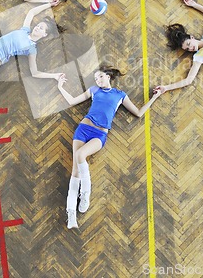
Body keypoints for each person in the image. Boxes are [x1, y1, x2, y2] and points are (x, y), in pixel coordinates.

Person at [57, 67, 162, 229]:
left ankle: (85, 193)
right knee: (75, 171)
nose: (98, 80)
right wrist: (60, 87)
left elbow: (139, 113)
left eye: (100, 77)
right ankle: (71, 215)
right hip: (83, 129)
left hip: (99, 135)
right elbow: (72, 101)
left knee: (80, 156)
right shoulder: (94, 90)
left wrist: (155, 97)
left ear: (108, 76)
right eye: (96, 79)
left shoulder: (120, 95)